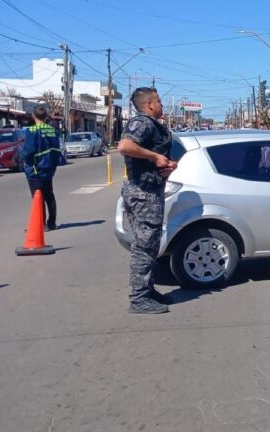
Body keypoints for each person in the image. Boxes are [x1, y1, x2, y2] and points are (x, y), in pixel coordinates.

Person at [117, 87, 177, 314]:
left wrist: (168, 164)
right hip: (143, 193)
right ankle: (139, 298)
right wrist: (154, 156)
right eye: (159, 101)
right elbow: (124, 146)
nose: (162, 105)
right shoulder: (142, 122)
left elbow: (153, 157)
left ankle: (147, 290)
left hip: (149, 191)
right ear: (150, 104)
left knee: (150, 246)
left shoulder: (153, 126)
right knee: (144, 247)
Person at [20, 104, 65, 231]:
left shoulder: (32, 131)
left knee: (37, 197)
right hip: (49, 167)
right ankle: (52, 223)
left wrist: (24, 159)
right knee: (49, 195)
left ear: (34, 116)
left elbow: (28, 151)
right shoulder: (52, 130)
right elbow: (57, 148)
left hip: (35, 168)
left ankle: (41, 224)